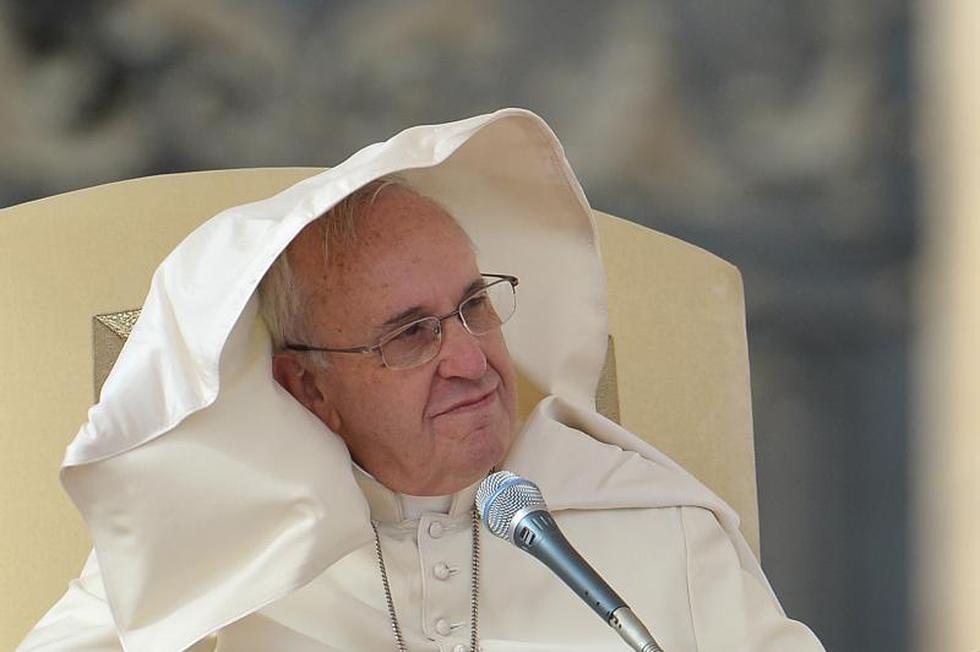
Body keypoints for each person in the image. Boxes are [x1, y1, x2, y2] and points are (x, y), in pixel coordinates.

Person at [18, 109, 824, 651]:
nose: (471, 360)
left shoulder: (652, 525)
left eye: (474, 305)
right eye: (410, 335)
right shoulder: (210, 547)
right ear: (308, 389)